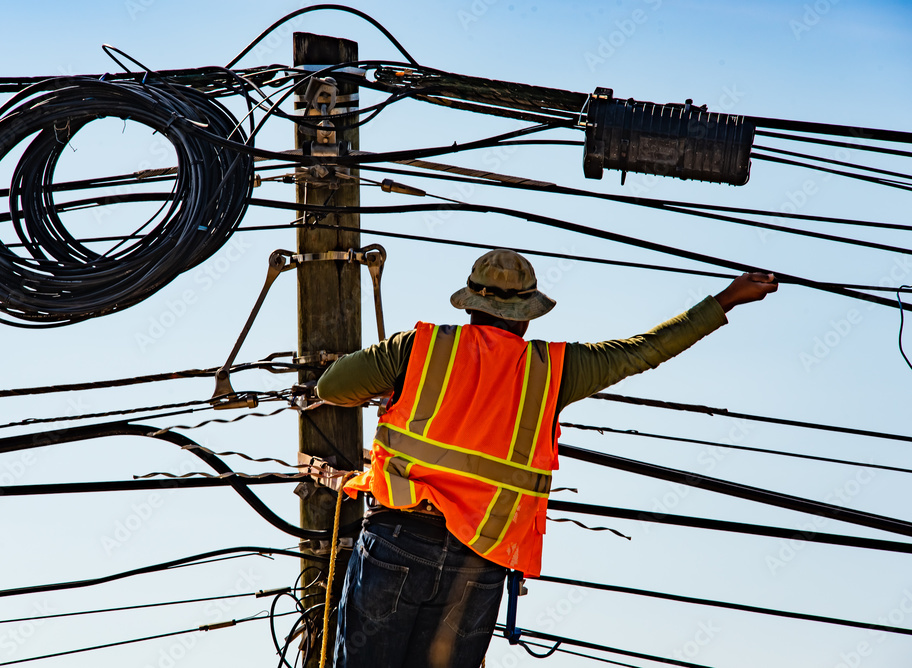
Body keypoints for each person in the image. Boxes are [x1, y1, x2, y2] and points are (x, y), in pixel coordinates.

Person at [316, 249, 778, 668]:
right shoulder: (555, 370)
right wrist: (727, 299)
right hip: (479, 564)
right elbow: (645, 351)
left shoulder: (418, 349)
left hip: (400, 538)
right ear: (525, 318)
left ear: (470, 307)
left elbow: (331, 388)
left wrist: (391, 386)